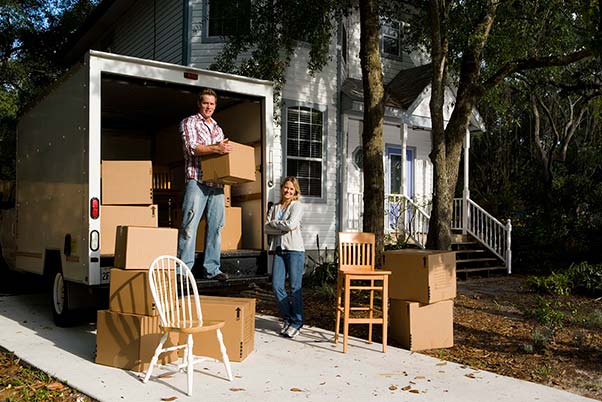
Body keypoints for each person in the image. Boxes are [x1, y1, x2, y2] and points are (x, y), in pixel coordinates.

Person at [177, 88, 232, 281]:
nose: (208, 106)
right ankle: (183, 272)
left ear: (215, 106)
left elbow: (222, 156)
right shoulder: (189, 122)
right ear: (199, 104)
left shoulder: (218, 129)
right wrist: (216, 148)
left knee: (216, 227)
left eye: (212, 103)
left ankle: (212, 269)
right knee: (189, 226)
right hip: (197, 180)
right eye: (205, 103)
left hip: (217, 184)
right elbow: (192, 148)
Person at [264, 176, 305, 339]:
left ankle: (297, 322)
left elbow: (291, 224)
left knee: (295, 287)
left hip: (295, 250)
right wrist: (280, 225)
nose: (288, 191)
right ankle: (287, 318)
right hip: (279, 250)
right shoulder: (275, 207)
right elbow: (266, 228)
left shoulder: (297, 206)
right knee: (276, 285)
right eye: (286, 188)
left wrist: (276, 224)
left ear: (295, 191)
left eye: (291, 189)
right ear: (282, 188)